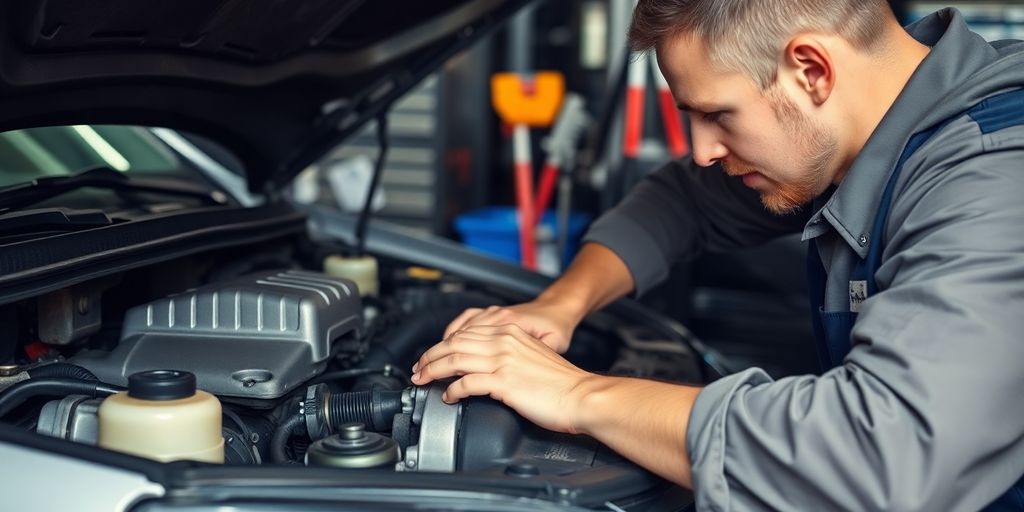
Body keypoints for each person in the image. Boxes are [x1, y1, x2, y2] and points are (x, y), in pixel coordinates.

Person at [412, 1, 1024, 509]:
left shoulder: (994, 180)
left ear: (811, 70)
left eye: (716, 115)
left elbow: (876, 454)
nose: (703, 150)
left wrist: (577, 396)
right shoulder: (873, 124)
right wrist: (560, 305)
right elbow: (683, 203)